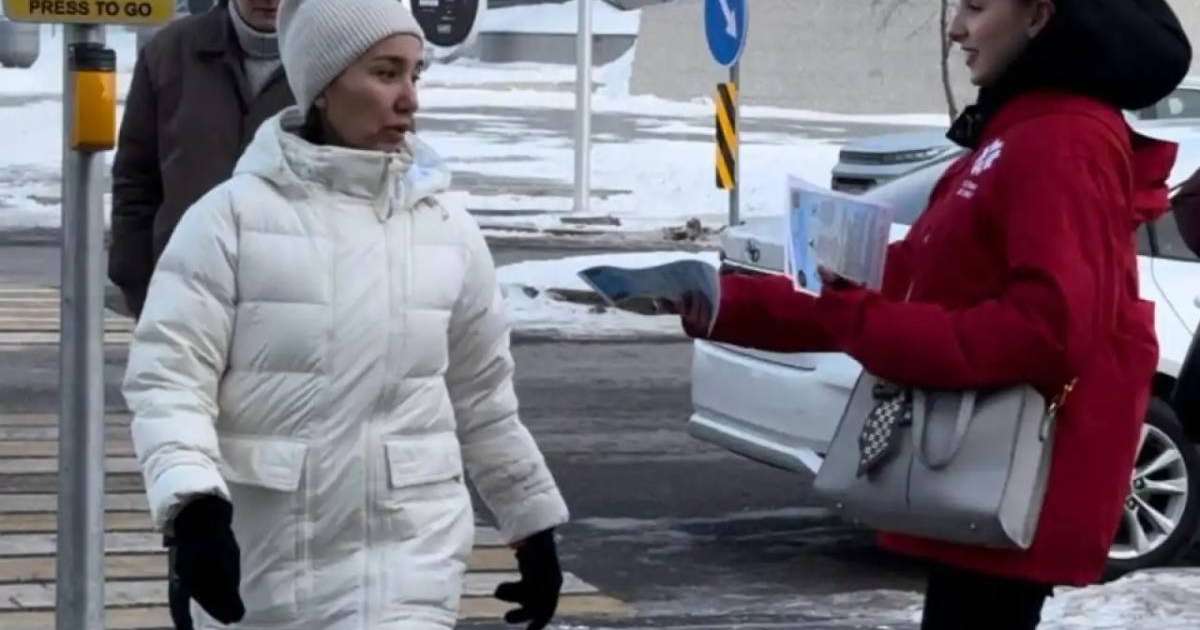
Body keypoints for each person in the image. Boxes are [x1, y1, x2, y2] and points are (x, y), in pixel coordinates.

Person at [672, 1, 1190, 629]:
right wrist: (725, 302)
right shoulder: (1016, 132)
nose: (956, 28)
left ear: (1037, 17)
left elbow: (1047, 330)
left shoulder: (1063, 138)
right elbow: (903, 276)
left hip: (1007, 480)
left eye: (977, 6)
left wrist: (867, 324)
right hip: (979, 486)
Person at [122, 1, 570, 629]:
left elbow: (484, 398)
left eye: (415, 74)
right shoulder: (230, 220)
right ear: (323, 86)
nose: (409, 99)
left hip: (412, 565)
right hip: (268, 569)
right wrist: (193, 507)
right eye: (385, 73)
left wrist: (531, 524)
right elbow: (170, 380)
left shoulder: (448, 230)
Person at [109, 0, 294, 319]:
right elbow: (136, 180)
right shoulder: (169, 53)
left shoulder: (335, 63)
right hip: (181, 293)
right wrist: (138, 283)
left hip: (292, 303)